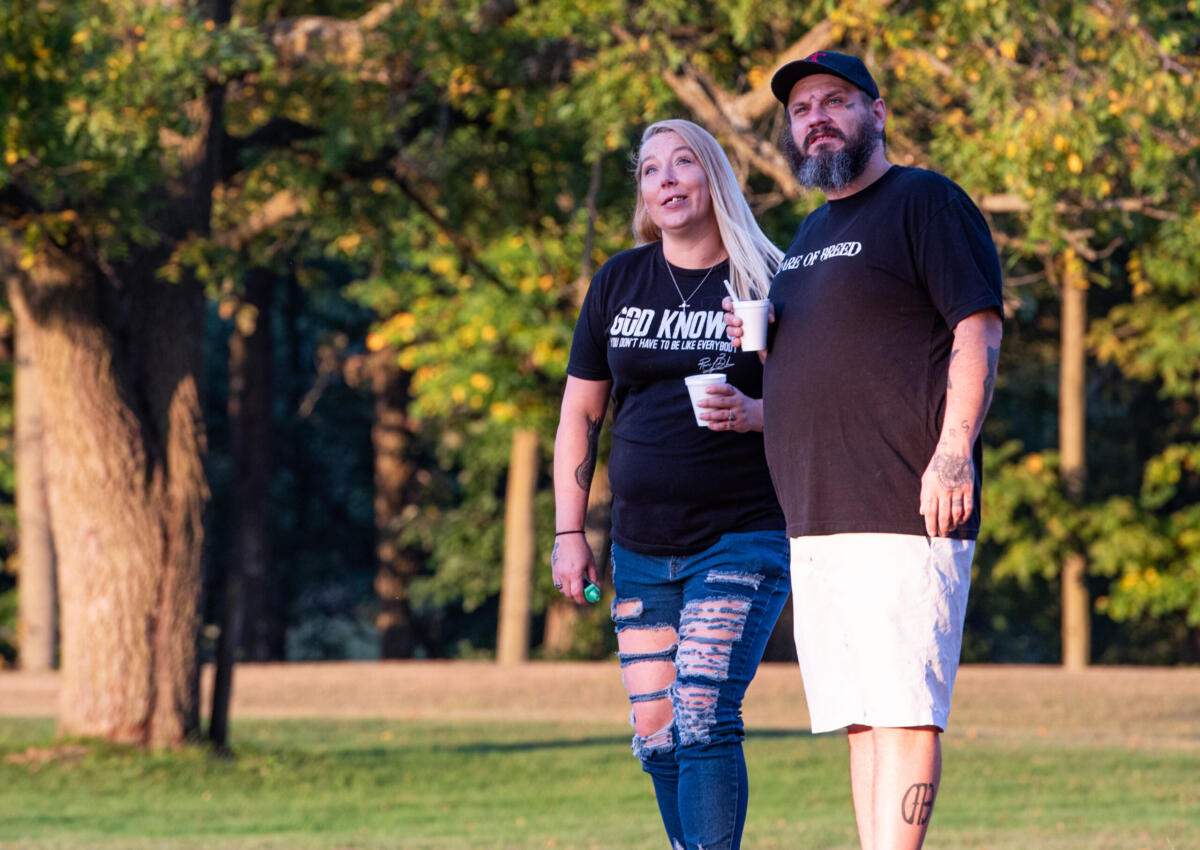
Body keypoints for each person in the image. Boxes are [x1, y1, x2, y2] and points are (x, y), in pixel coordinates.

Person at [724, 52, 1004, 850]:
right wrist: (755, 409)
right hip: (817, 516)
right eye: (801, 108)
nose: (815, 117)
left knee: (906, 711)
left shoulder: (924, 201)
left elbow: (978, 328)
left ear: (876, 113)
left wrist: (953, 453)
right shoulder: (808, 237)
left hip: (904, 502)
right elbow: (829, 375)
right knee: (860, 717)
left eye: (835, 100)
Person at [552, 118, 791, 850]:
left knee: (704, 713)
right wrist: (568, 532)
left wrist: (758, 406)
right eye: (651, 169)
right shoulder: (619, 281)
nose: (667, 180)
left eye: (684, 163)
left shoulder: (769, 279)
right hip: (640, 548)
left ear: (712, 178)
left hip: (741, 535)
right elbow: (579, 415)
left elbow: (824, 404)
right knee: (657, 730)